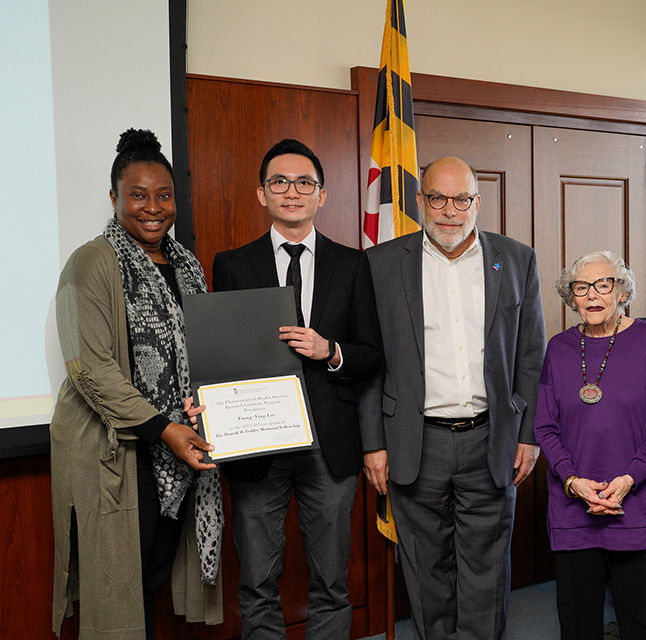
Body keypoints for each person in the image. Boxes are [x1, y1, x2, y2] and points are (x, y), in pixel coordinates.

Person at [359, 156, 546, 640]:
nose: (449, 211)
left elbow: (530, 355)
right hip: (414, 441)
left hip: (492, 440)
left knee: (488, 572)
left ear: (477, 203)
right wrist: (373, 443)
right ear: (419, 201)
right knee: (425, 573)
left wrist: (529, 436)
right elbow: (369, 360)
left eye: (461, 199)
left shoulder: (516, 259)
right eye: (437, 198)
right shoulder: (381, 264)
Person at [50, 128, 223, 640]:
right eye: (138, 195)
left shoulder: (186, 263)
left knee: (148, 580)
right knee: (118, 593)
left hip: (177, 452)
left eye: (164, 195)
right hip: (118, 452)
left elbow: (206, 351)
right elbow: (89, 369)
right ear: (114, 198)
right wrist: (166, 429)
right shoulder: (91, 261)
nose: (153, 207)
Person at [212, 138, 381, 640]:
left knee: (331, 581)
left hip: (330, 445)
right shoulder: (232, 264)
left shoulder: (353, 265)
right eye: (279, 182)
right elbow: (222, 357)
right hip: (255, 443)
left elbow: (371, 353)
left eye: (304, 183)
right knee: (257, 581)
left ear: (321, 195)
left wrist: (330, 351)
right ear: (261, 194)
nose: (292, 192)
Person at [535, 251, 646, 640]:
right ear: (571, 296)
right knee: (577, 623)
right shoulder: (558, 348)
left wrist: (629, 479)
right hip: (573, 504)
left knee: (639, 622)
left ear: (622, 289)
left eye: (604, 284)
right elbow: (545, 426)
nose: (593, 295)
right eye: (582, 287)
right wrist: (573, 480)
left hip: (638, 502)